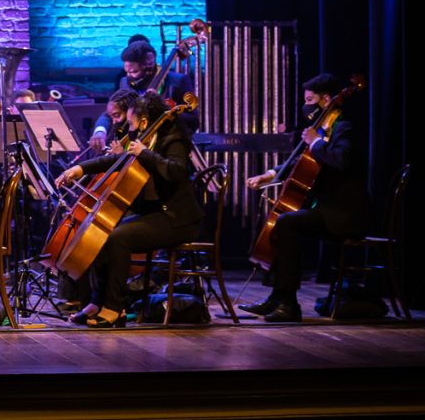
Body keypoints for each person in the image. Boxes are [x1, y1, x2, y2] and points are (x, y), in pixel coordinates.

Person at [54, 90, 202, 327]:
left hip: (176, 218)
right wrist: (80, 169)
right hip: (154, 214)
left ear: (143, 121)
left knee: (118, 238)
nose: (129, 129)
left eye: (131, 123)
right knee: (102, 234)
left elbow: (176, 171)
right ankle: (96, 302)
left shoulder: (172, 138)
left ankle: (115, 308)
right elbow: (117, 160)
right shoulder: (147, 138)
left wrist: (145, 154)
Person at [238, 73, 369, 322]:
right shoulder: (323, 129)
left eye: (310, 100)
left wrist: (316, 142)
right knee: (284, 223)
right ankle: (277, 298)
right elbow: (301, 161)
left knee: (287, 223)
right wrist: (270, 174)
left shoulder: (344, 127)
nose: (305, 106)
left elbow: (342, 159)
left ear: (326, 100)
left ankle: (288, 304)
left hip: (344, 214)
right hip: (327, 211)